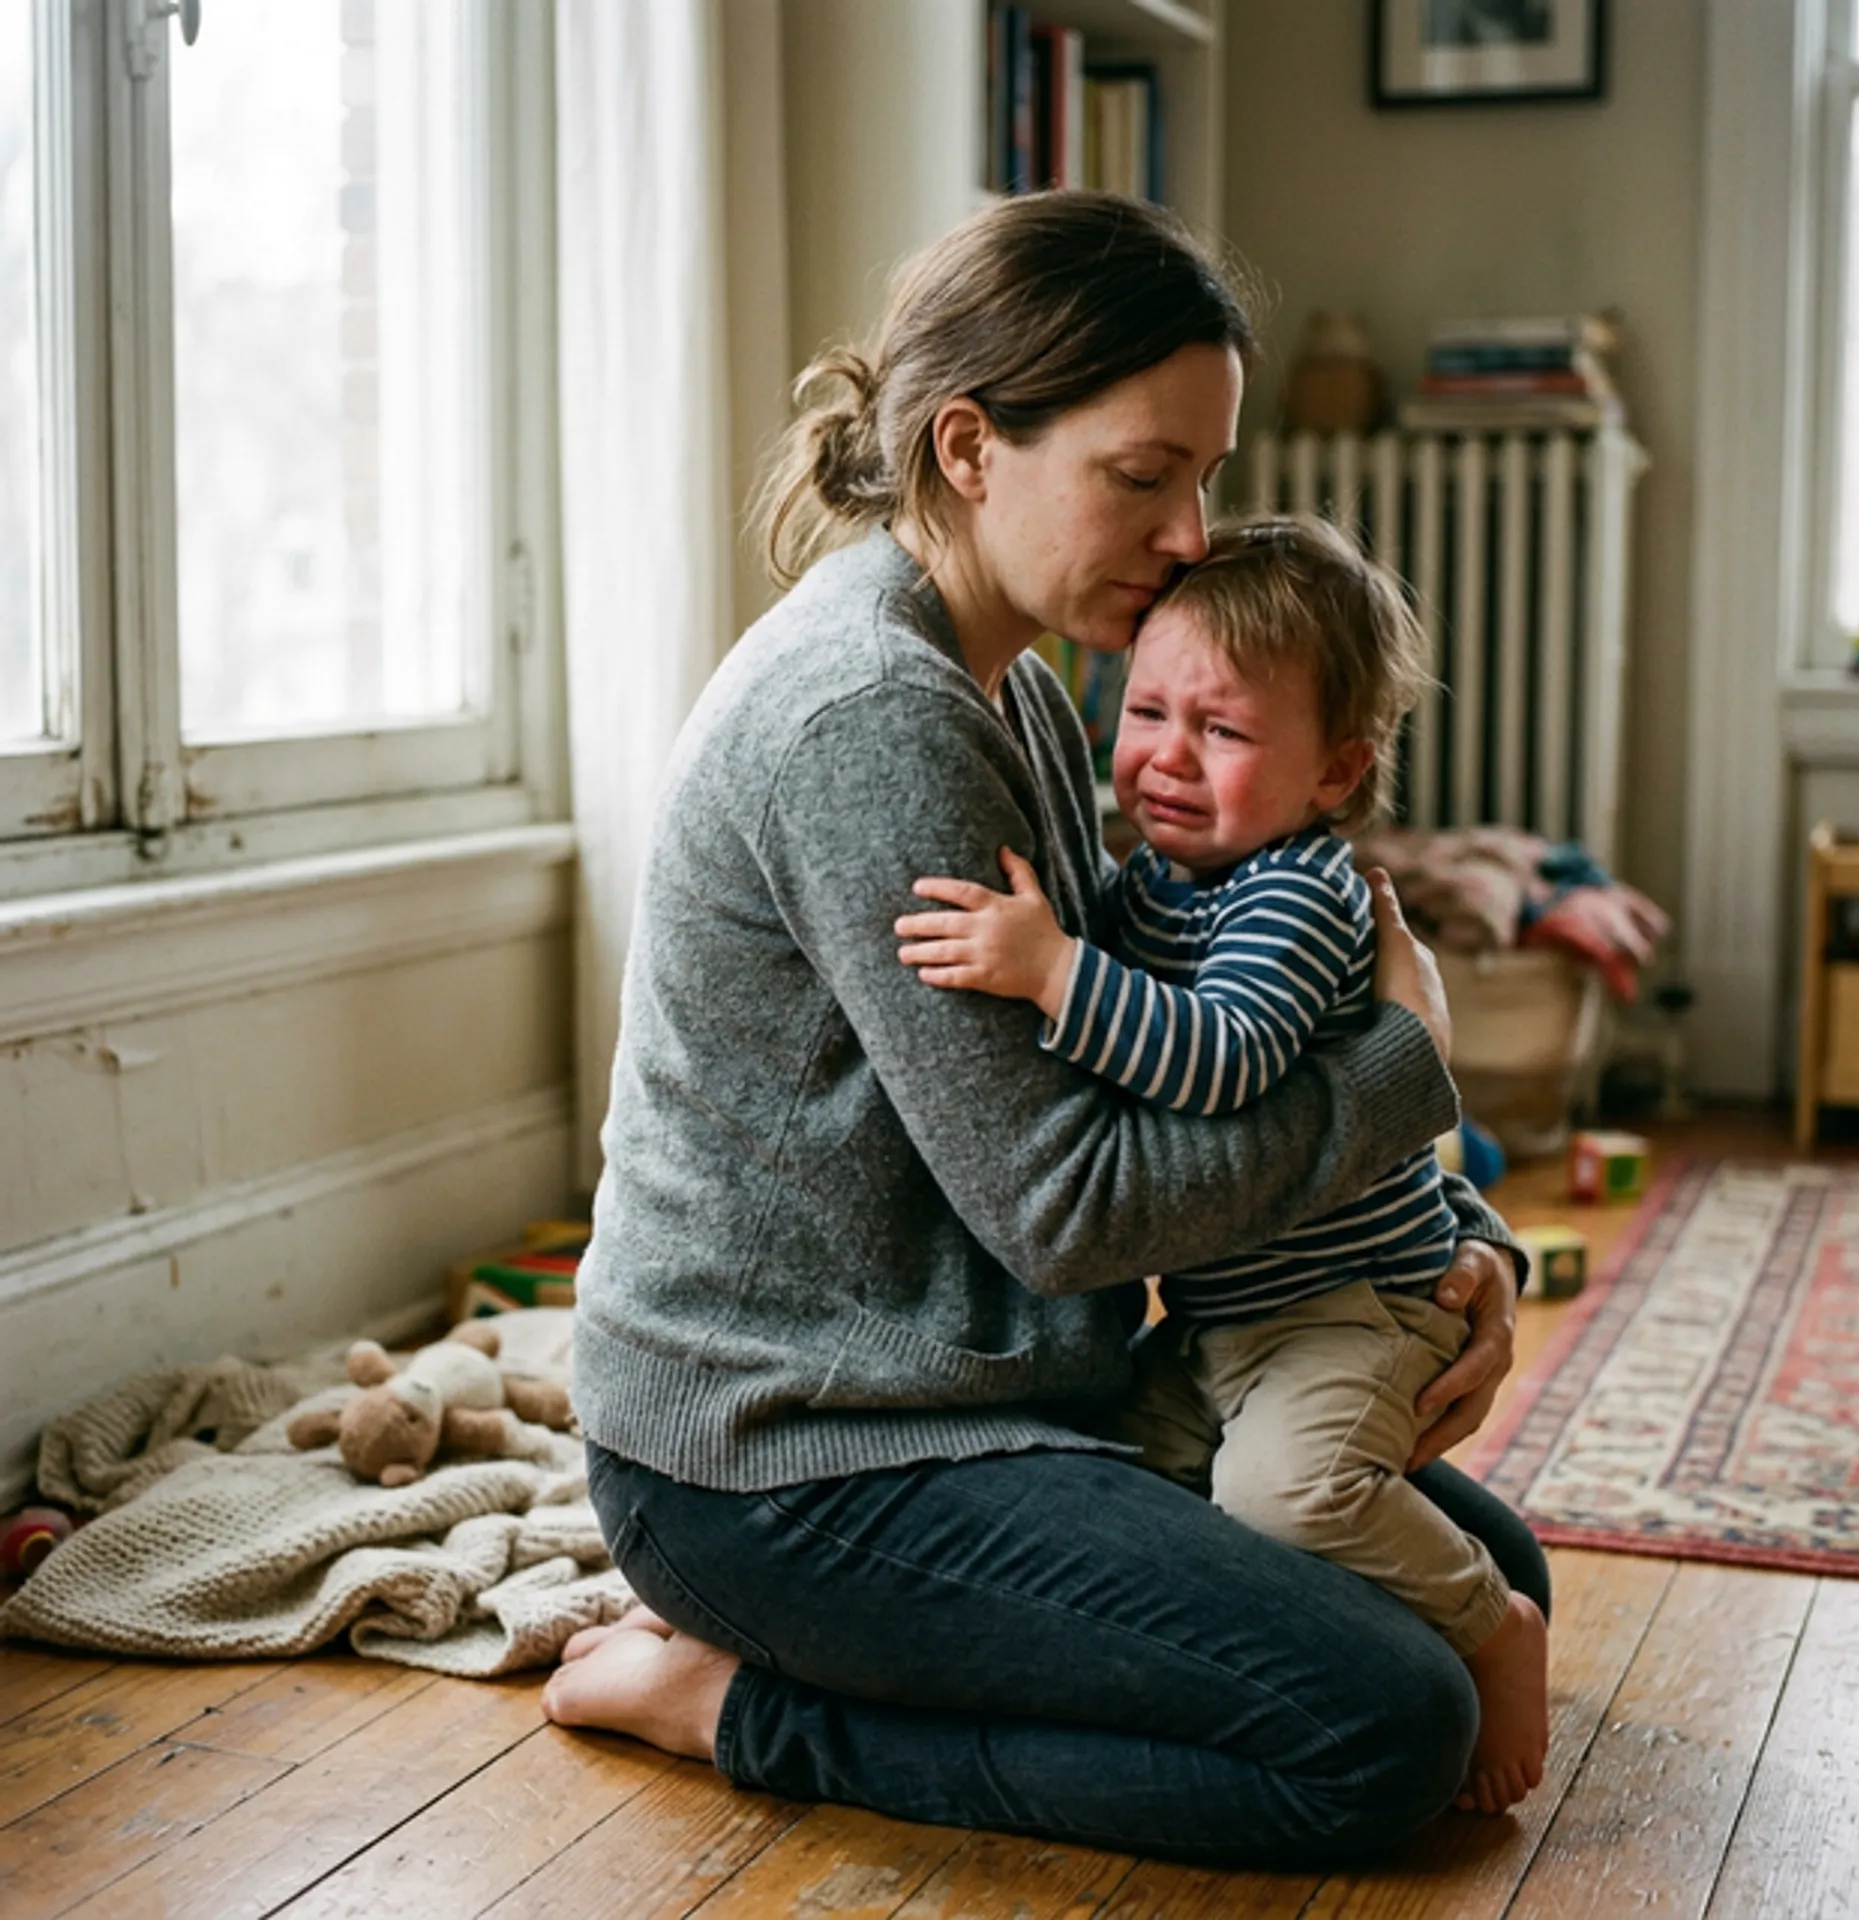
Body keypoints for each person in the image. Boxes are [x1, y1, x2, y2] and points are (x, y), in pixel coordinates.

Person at [542, 188, 1547, 1870]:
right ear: (967, 449)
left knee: (1492, 1586)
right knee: (1385, 1729)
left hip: (1004, 1390)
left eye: (1207, 478)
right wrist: (1400, 1075)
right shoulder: (878, 719)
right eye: (1143, 478)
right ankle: (738, 1704)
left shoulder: (1005, 672)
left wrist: (1465, 1252)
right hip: (795, 1457)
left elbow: (1201, 1034)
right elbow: (1070, 1214)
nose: (1189, 534)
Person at [894, 515, 1548, 1814]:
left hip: (1345, 1317)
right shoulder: (1159, 884)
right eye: (1146, 712)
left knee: (1289, 1499)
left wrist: (1053, 968)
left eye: (1227, 732)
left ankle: (1488, 1627)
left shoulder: (1297, 893)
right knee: (1123, 1480)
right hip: (1218, 1325)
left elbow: (1226, 1058)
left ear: (1335, 772)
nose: (1168, 760)